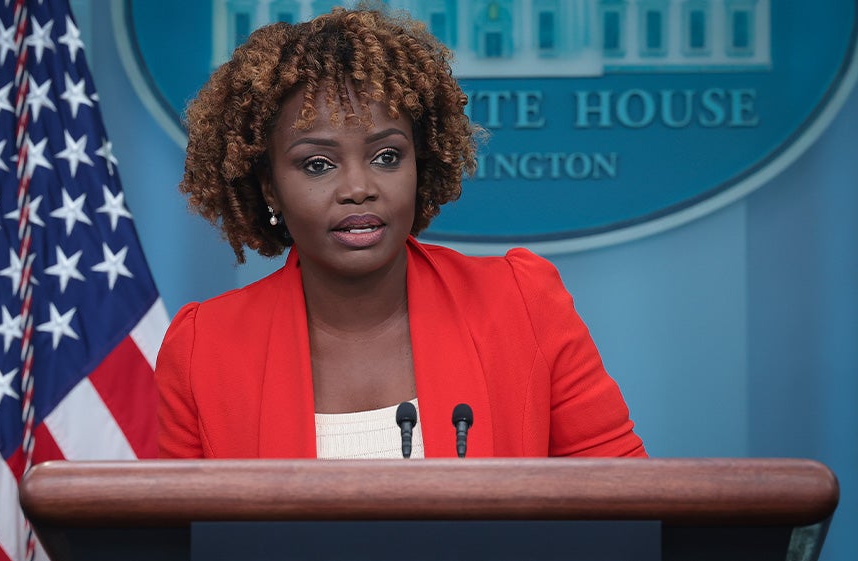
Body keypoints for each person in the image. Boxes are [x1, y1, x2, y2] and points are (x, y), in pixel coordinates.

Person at [155, 6, 646, 459]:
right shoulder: (206, 348)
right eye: (318, 164)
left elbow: (627, 506)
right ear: (270, 187)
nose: (358, 188)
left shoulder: (521, 304)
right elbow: (178, 543)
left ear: (420, 162)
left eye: (386, 156)